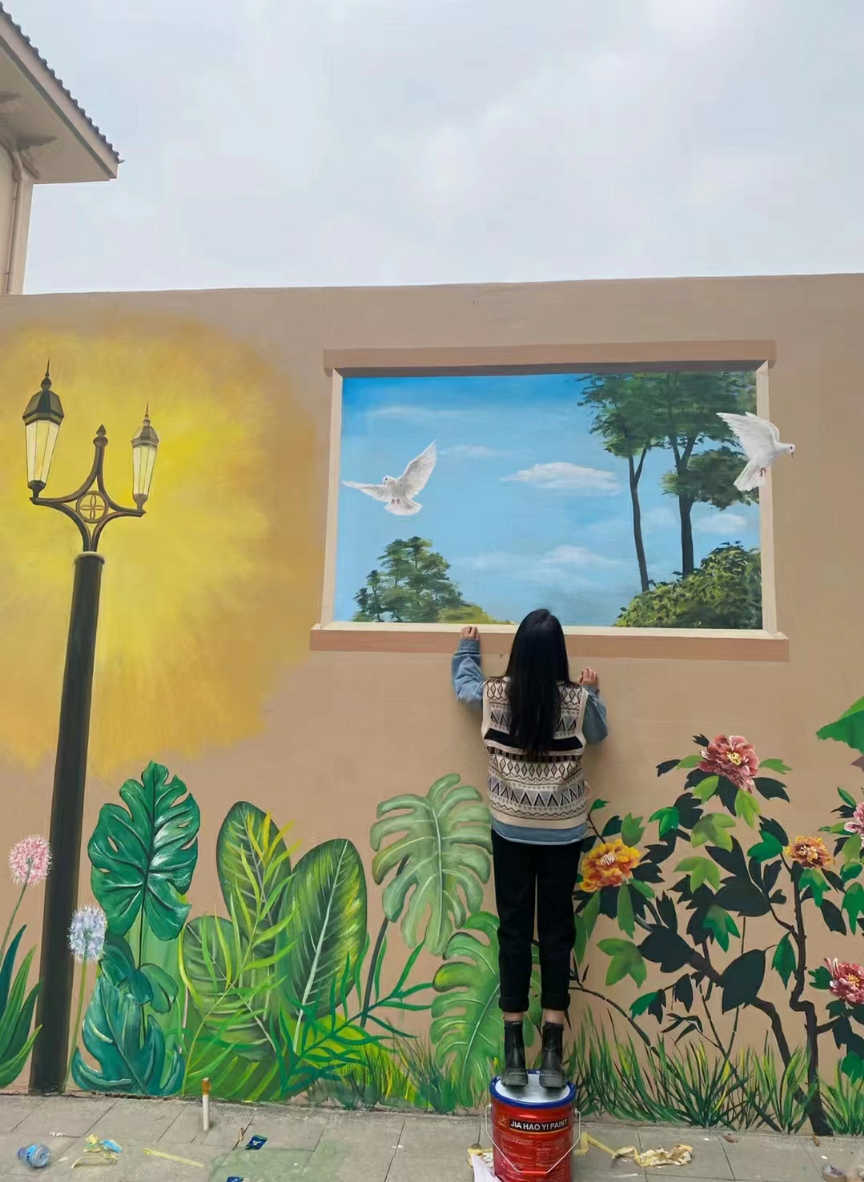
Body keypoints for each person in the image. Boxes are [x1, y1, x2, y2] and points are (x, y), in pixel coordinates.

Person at [451, 609, 608, 1090]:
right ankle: (553, 1051)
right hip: (562, 833)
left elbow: (466, 689)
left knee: (514, 934)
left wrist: (467, 651)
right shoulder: (576, 701)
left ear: (517, 650)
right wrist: (592, 692)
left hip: (511, 830)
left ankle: (515, 1050)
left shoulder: (497, 694)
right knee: (557, 935)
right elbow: (599, 732)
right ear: (559, 655)